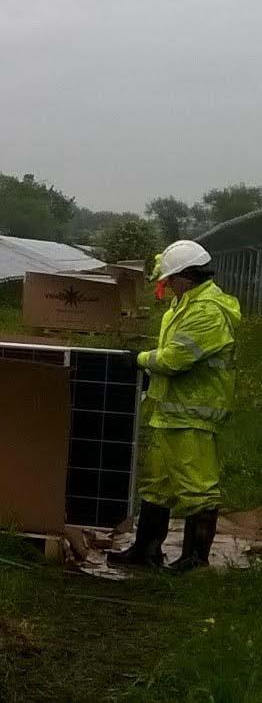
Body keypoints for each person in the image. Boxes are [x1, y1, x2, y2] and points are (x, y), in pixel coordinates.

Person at [109, 240, 239, 572]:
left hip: (194, 413)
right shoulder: (185, 304)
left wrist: (138, 360)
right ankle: (146, 551)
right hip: (170, 411)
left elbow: (176, 358)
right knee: (157, 485)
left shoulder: (208, 311)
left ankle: (195, 560)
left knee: (197, 488)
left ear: (186, 275)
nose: (166, 285)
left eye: (170, 278)